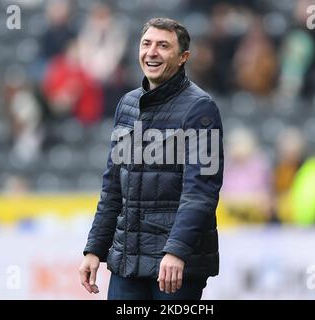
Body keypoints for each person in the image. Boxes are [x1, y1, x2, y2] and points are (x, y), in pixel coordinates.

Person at [79, 17, 224, 300]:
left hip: (173, 266)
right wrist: (95, 248)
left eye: (163, 46)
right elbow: (112, 187)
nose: (151, 52)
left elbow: (202, 191)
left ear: (183, 57)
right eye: (146, 44)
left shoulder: (201, 109)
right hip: (126, 262)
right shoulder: (127, 105)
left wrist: (176, 250)